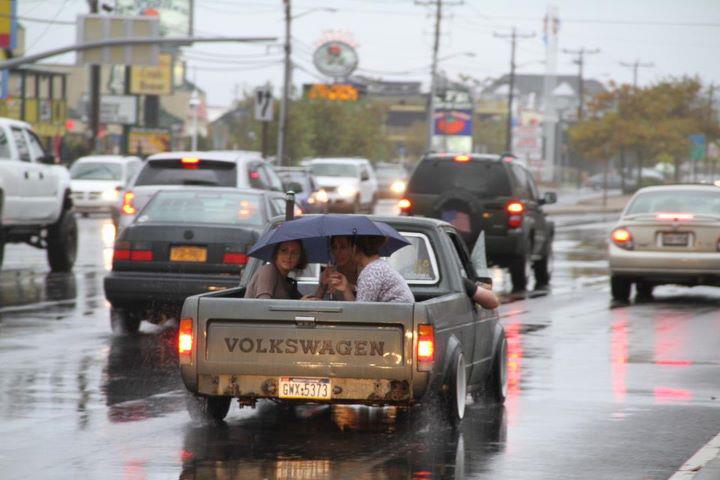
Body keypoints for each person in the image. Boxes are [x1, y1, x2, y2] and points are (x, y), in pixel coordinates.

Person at [329, 235, 414, 304]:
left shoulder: (371, 272)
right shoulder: (377, 266)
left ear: (354, 248)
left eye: (344, 247)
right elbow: (359, 310)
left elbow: (359, 313)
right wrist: (346, 288)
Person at [312, 235, 360, 300]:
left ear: (353, 248)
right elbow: (315, 302)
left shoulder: (364, 270)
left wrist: (352, 287)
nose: (337, 252)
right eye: (334, 247)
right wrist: (322, 285)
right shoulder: (330, 274)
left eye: (343, 247)